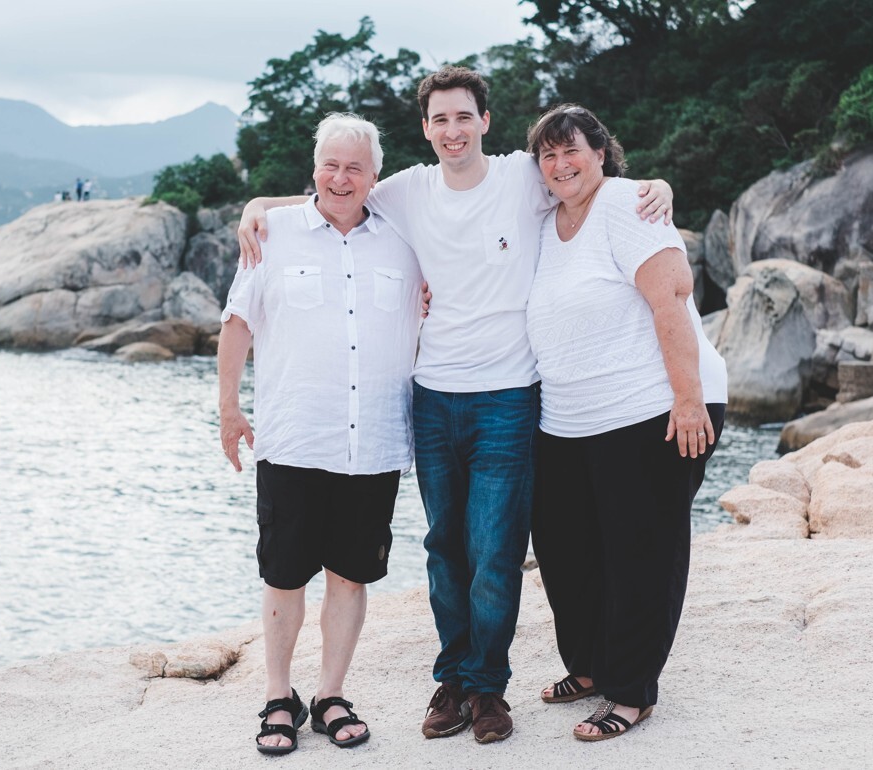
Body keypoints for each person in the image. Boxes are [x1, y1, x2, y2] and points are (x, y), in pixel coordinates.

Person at [238, 66, 673, 745]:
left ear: (485, 122)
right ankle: (455, 679)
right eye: (439, 119)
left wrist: (655, 186)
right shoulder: (407, 189)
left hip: (508, 395)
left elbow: (584, 176)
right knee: (446, 550)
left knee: (496, 552)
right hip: (433, 396)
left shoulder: (521, 178)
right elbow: (337, 190)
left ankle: (488, 687)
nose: (452, 130)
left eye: (463, 117)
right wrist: (253, 208)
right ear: (426, 129)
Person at [219, 113, 424, 755]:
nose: (341, 177)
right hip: (294, 436)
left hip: (375, 440)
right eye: (330, 165)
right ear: (313, 169)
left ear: (375, 175)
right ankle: (278, 697)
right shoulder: (270, 232)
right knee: (283, 575)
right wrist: (228, 408)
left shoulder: (402, 237)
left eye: (355, 167)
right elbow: (237, 324)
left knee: (352, 576)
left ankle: (331, 695)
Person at [523, 104, 728, 741]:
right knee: (564, 546)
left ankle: (632, 690)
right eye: (548, 155)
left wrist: (688, 401)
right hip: (567, 417)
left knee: (641, 550)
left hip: (652, 408)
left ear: (602, 152)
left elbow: (671, 294)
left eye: (572, 150)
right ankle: (588, 666)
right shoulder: (542, 219)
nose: (560, 164)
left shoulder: (625, 207)